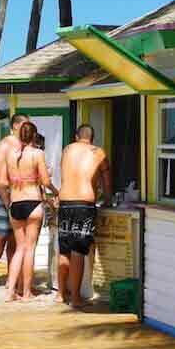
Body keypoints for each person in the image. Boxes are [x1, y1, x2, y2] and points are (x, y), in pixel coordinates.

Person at [0, 121, 59, 301]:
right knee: (30, 249)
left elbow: (2, 181)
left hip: (15, 203)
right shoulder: (37, 153)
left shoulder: (9, 154)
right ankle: (26, 292)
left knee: (19, 249)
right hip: (33, 202)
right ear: (34, 136)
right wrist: (57, 192)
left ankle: (10, 292)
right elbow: (46, 182)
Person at [57, 124, 111, 307]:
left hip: (64, 202)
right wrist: (108, 199)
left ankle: (61, 294)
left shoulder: (67, 149)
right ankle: (76, 298)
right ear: (92, 138)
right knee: (78, 251)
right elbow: (106, 181)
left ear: (75, 136)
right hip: (83, 204)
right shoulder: (98, 152)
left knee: (64, 249)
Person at [0, 114, 29, 290]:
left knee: (15, 239)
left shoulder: (23, 145)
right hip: (5, 195)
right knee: (1, 236)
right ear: (16, 125)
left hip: (20, 195)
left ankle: (14, 279)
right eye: (26, 124)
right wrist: (8, 201)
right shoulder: (4, 146)